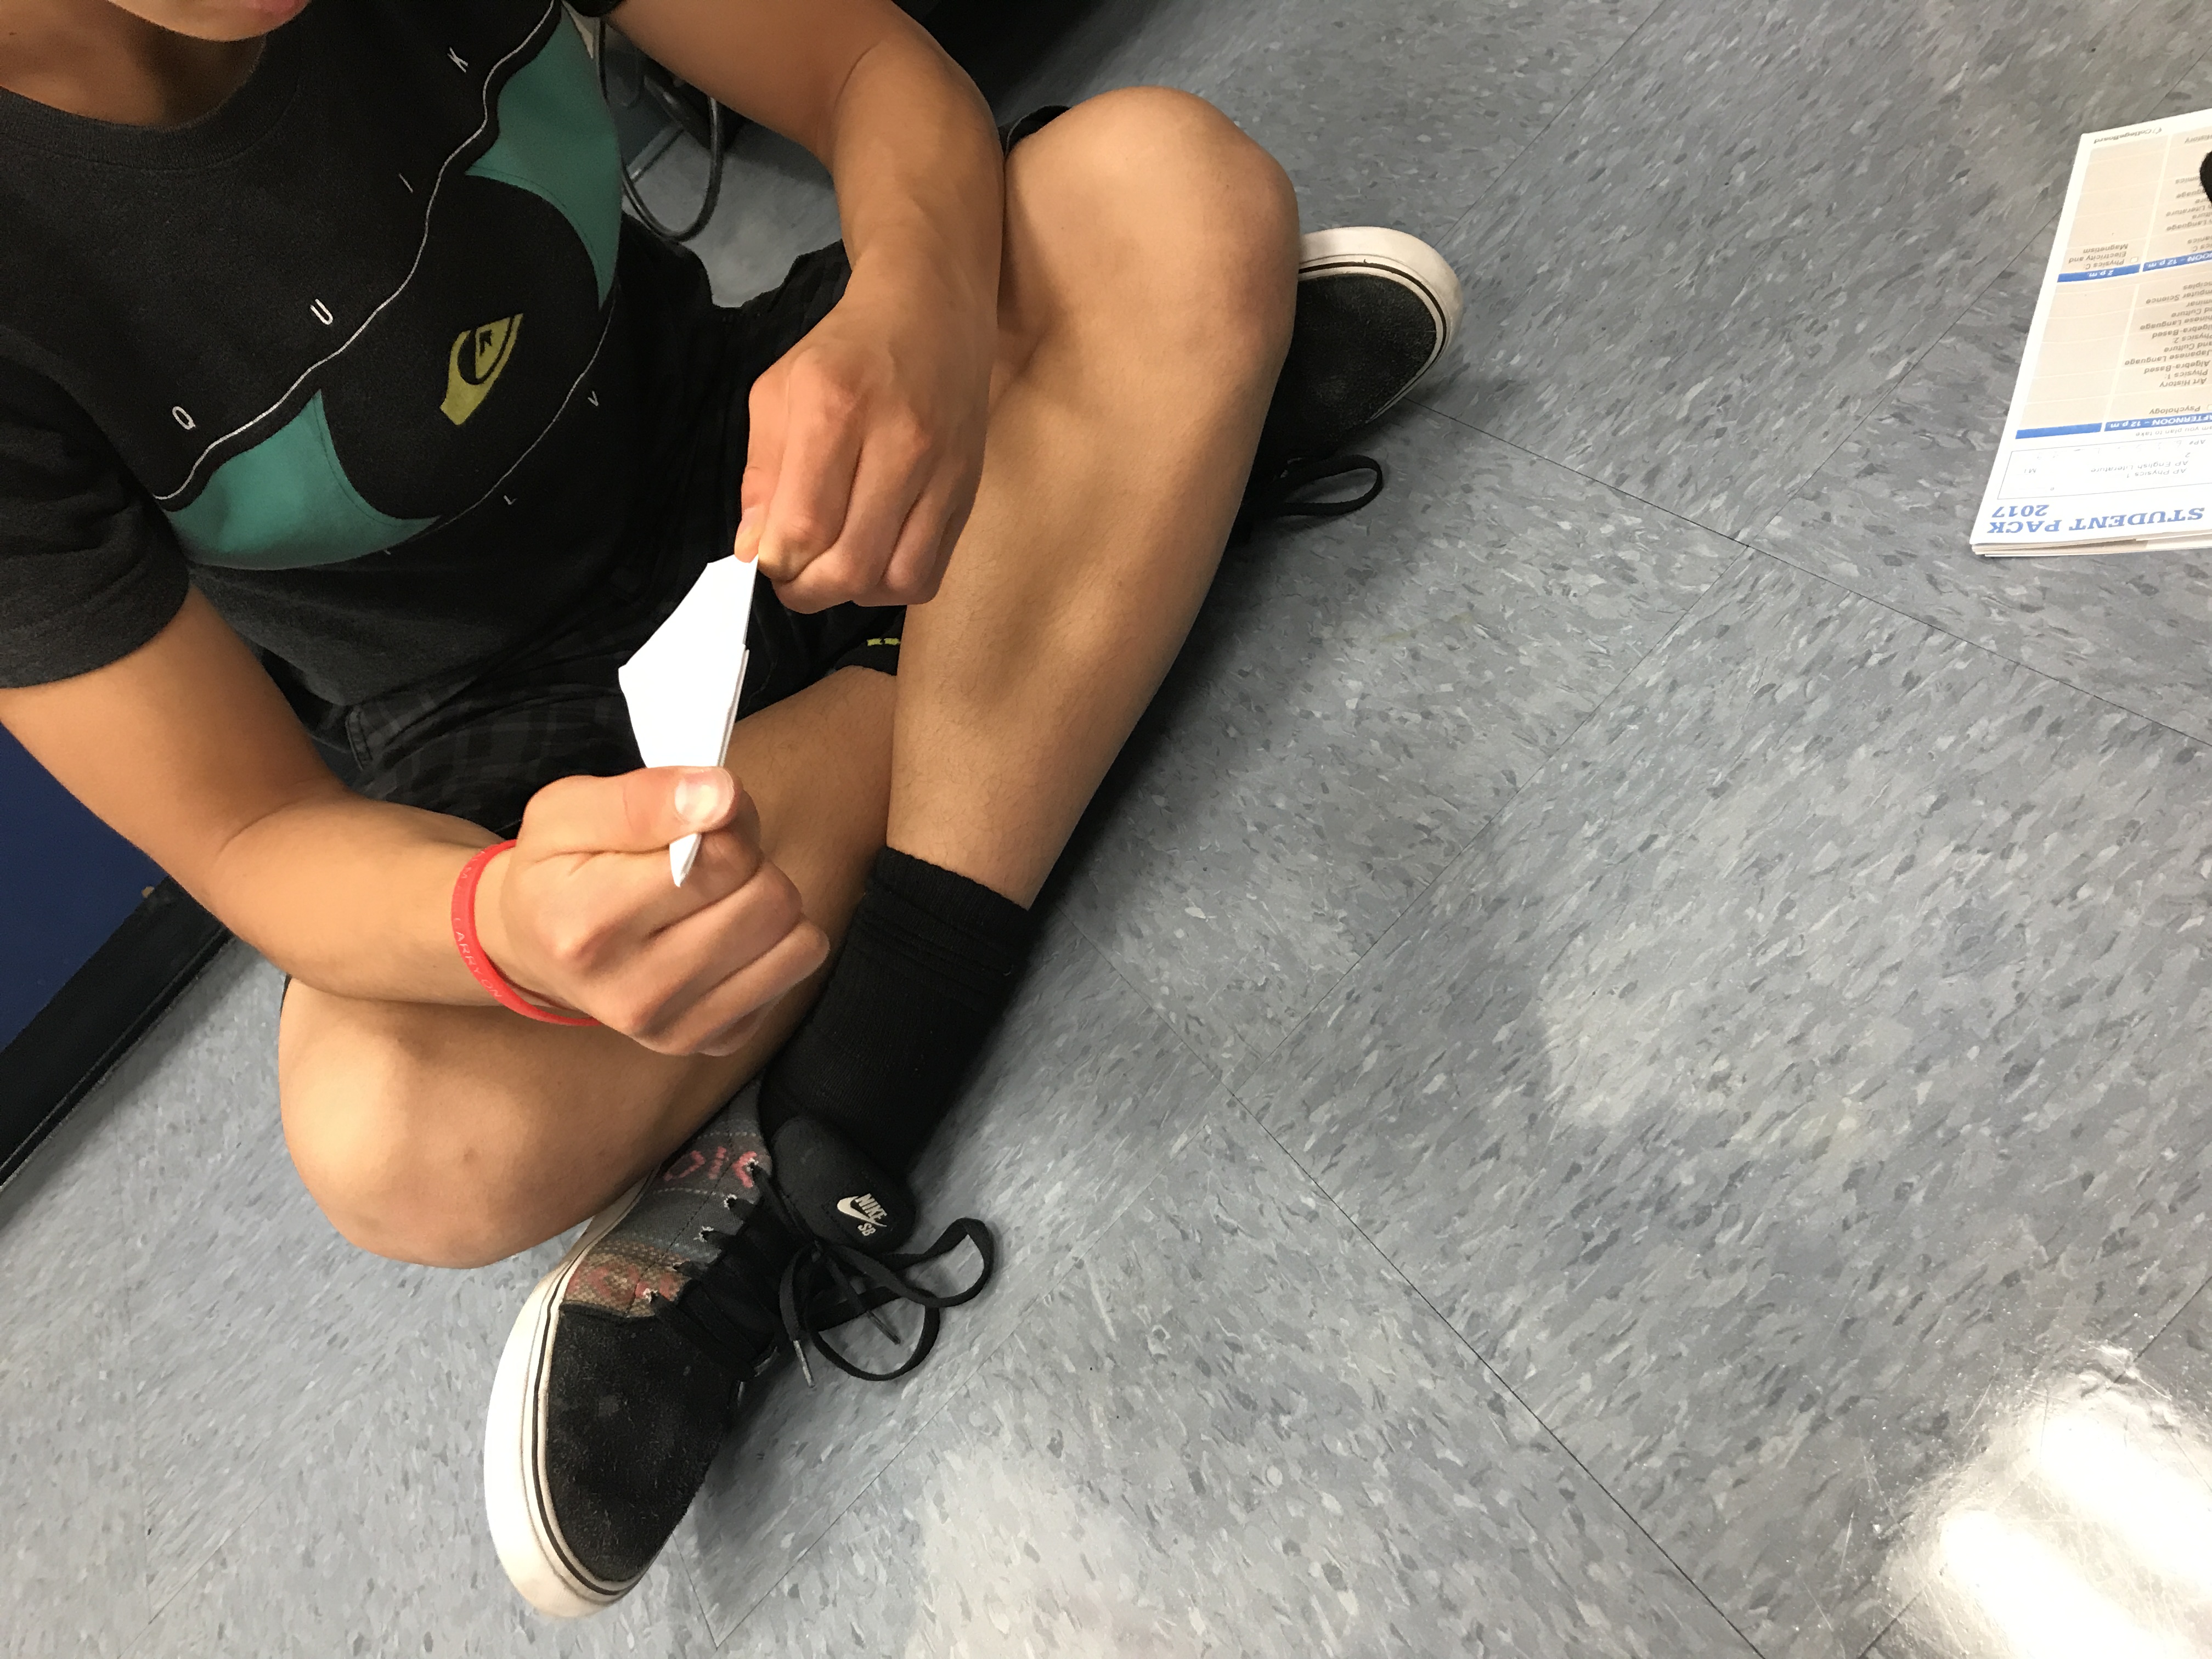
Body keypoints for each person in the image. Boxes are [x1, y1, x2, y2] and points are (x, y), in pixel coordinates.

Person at [0, 0, 1462, 1616]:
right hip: (500, 735)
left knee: (1164, 187)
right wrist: (506, 923)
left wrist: (913, 308)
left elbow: (870, 69)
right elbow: (248, 835)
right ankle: (1086, 588)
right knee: (398, 1139)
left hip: (771, 464)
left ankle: (852, 1095)